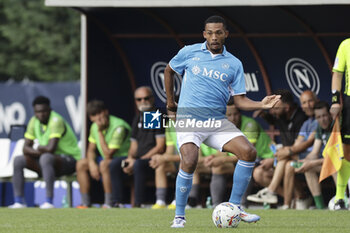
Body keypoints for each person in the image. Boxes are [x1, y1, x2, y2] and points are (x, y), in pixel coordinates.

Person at [164, 15, 280, 228]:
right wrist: (171, 104)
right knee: (189, 161)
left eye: (219, 32)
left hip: (217, 121)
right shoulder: (189, 52)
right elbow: (169, 71)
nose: (214, 37)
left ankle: (235, 207)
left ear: (226, 34)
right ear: (204, 34)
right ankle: (179, 216)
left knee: (249, 152)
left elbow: (241, 101)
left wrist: (262, 105)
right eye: (210, 32)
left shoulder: (234, 63)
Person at [248, 90, 318, 209]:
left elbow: (304, 144)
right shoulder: (281, 116)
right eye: (304, 102)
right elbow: (275, 120)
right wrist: (264, 115)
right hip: (288, 156)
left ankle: (285, 198)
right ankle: (290, 200)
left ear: (287, 108)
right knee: (259, 173)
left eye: (275, 108)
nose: (272, 111)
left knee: (287, 163)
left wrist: (284, 153)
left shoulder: (302, 118)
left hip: (301, 157)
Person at [9, 96, 81, 209]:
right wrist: (41, 149)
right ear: (34, 112)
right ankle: (19, 202)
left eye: (44, 111)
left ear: (49, 110)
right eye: (38, 112)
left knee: (46, 158)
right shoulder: (33, 121)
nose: (41, 114)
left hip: (70, 160)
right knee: (18, 160)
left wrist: (37, 148)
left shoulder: (56, 120)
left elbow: (50, 149)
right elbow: (25, 148)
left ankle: (49, 201)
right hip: (47, 162)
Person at [109, 86, 165, 207]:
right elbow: (133, 144)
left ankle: (138, 204)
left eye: (146, 98)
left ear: (152, 99)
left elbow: (160, 147)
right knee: (115, 164)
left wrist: (138, 160)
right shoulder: (138, 116)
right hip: (138, 159)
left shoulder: (157, 115)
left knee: (139, 165)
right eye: (139, 99)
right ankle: (116, 202)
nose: (142, 101)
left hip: (154, 160)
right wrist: (130, 159)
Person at [76, 100, 131, 208]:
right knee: (81, 164)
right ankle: (85, 203)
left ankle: (108, 203)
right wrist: (91, 164)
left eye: (99, 113)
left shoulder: (119, 126)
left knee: (104, 164)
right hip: (107, 159)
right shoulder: (94, 126)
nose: (98, 118)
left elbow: (108, 154)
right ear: (90, 118)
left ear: (106, 112)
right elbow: (91, 149)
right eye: (94, 115)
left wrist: (100, 132)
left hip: (124, 160)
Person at [295, 101, 336, 209]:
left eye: (324, 115)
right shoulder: (319, 128)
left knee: (335, 168)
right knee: (308, 168)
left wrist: (311, 163)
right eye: (318, 117)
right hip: (328, 162)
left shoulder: (336, 127)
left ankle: (343, 200)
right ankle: (320, 206)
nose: (322, 119)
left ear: (330, 114)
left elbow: (335, 157)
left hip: (342, 164)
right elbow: (314, 153)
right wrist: (305, 162)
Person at [330, 38, 350, 210]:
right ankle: (340, 198)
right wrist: (336, 101)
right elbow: (337, 74)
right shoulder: (345, 44)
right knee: (347, 152)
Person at [149, 114, 179, 210]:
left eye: (175, 110)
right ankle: (160, 201)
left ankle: (178, 200)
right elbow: (169, 151)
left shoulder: (192, 124)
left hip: (191, 161)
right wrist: (160, 158)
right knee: (160, 166)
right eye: (170, 111)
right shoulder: (169, 124)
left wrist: (165, 158)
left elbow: (190, 156)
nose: (172, 114)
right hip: (177, 161)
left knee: (184, 165)